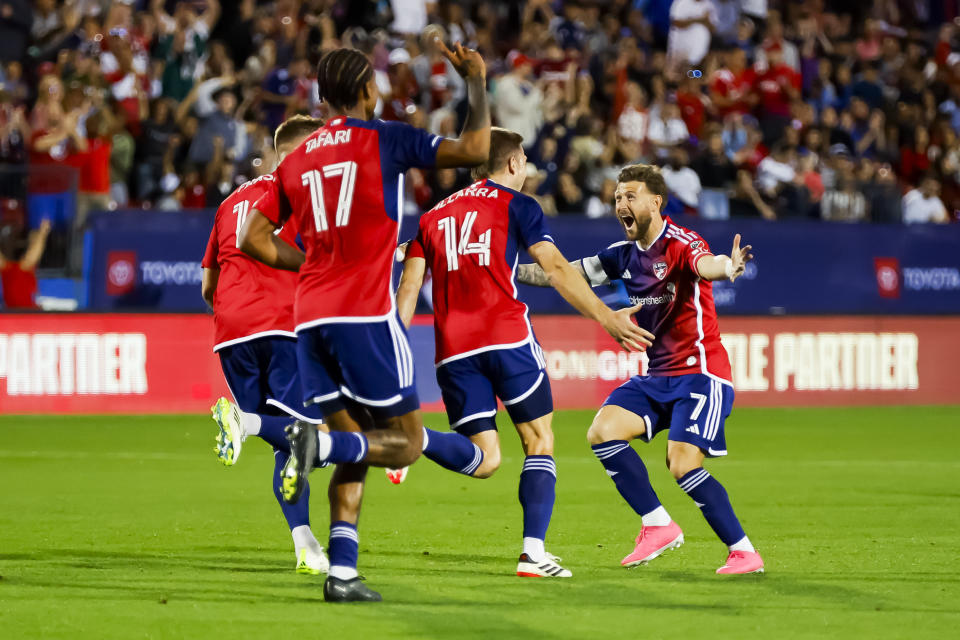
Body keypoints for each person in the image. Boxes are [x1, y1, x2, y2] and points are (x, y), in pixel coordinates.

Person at [237, 44, 491, 603]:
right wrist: (476, 83)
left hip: (310, 320)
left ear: (323, 97)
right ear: (368, 91)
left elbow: (249, 237)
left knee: (361, 444)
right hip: (366, 316)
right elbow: (476, 147)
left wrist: (308, 264)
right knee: (403, 444)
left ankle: (343, 573)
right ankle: (314, 448)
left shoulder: (298, 158)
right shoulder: (385, 136)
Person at [395, 128, 653, 579]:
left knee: (485, 459)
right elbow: (554, 268)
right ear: (513, 163)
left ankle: (411, 440)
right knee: (539, 440)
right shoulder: (518, 205)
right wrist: (607, 316)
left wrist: (394, 347)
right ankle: (533, 552)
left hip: (453, 351)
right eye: (525, 159)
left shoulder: (432, 216)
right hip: (507, 339)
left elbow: (410, 287)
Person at [516, 164, 765, 575]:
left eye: (630, 196)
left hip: (700, 374)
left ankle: (743, 551)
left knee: (682, 463)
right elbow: (559, 275)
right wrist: (501, 271)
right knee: (602, 431)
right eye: (617, 197)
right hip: (658, 376)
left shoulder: (682, 243)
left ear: (656, 201)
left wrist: (730, 267)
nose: (621, 204)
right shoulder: (622, 255)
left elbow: (708, 264)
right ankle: (657, 524)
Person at [200, 115, 330, 576]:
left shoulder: (230, 202)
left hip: (231, 332)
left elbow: (206, 287)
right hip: (281, 324)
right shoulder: (304, 191)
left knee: (289, 445)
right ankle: (246, 421)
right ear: (299, 149)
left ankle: (305, 544)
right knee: (306, 435)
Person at [0, 218, 50, 308]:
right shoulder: (8, 269)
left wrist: (42, 234)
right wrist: (42, 234)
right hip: (15, 315)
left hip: (28, 315)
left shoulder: (23, 267)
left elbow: (33, 255)